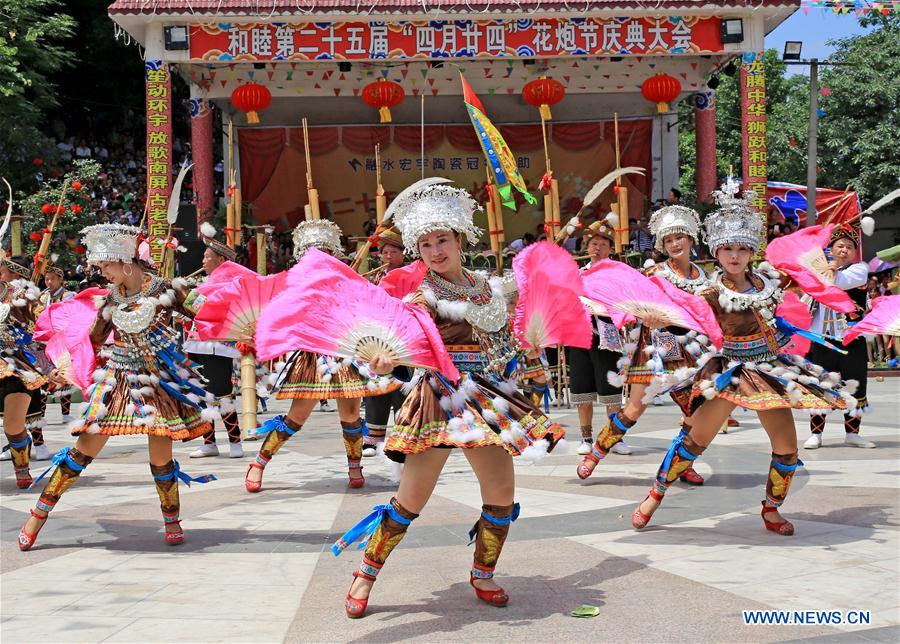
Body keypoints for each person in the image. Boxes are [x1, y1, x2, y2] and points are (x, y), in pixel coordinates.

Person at [335, 181, 565, 618]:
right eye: (425, 244)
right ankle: (365, 572)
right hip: (438, 399)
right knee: (411, 499)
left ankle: (482, 572)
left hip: (487, 398)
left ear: (460, 240)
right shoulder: (420, 295)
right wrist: (386, 360)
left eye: (442, 240)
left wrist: (530, 350)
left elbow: (505, 341)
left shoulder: (488, 287)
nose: (435, 251)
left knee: (501, 494)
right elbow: (403, 341)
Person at [630, 179, 857, 536]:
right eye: (726, 249)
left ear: (751, 251)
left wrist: (823, 272)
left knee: (787, 449)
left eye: (741, 249)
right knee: (693, 443)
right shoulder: (707, 292)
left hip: (768, 370)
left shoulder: (770, 283)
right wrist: (661, 320)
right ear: (716, 252)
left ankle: (771, 509)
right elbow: (686, 320)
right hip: (728, 372)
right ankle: (655, 495)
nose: (734, 256)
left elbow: (804, 280)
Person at [18, 224, 222, 550]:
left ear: (125, 262)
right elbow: (94, 341)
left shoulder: (167, 289)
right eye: (100, 268)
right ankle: (37, 515)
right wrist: (66, 365)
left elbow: (210, 310)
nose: (104, 274)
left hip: (157, 384)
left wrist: (242, 323)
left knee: (161, 459)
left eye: (106, 266)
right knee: (81, 452)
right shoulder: (110, 300)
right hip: (117, 381)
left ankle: (171, 518)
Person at [245, 219, 397, 493]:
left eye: (326, 254)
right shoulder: (295, 286)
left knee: (351, 415)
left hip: (345, 354)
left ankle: (354, 465)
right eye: (314, 254)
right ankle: (259, 462)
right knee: (296, 417)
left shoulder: (348, 282)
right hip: (313, 357)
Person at [576, 205, 707, 485]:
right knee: (634, 409)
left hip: (690, 351)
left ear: (691, 239)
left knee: (694, 413)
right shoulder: (653, 273)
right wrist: (643, 316)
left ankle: (682, 465)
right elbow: (625, 300)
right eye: (668, 240)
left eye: (679, 238)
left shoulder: (704, 277)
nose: (674, 244)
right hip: (654, 349)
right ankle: (596, 453)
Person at [804, 223, 874, 449]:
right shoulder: (819, 270)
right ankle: (816, 434)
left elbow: (839, 281)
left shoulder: (859, 269)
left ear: (854, 252)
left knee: (856, 385)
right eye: (840, 246)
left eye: (849, 247)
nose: (844, 250)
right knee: (820, 385)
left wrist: (824, 269)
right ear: (831, 248)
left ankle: (852, 433)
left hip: (851, 339)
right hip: (822, 339)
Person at [568, 220, 628, 457]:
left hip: (608, 336)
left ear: (610, 249)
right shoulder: (577, 274)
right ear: (587, 246)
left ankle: (615, 438)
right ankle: (586, 437)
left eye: (603, 244)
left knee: (612, 390)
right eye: (594, 243)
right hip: (580, 336)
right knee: (582, 388)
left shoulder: (618, 274)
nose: (598, 248)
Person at [185, 225, 244, 459]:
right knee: (202, 392)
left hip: (219, 344)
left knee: (222, 392)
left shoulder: (231, 284)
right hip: (198, 342)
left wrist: (189, 299)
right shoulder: (205, 283)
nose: (203, 261)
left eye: (207, 256)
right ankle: (209, 442)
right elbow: (195, 309)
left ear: (221, 260)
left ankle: (235, 441)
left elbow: (213, 308)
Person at [0, 255, 48, 488]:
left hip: (17, 365)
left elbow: (44, 327)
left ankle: (21, 464)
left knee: (13, 424)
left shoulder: (21, 296)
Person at [362, 226, 408, 458]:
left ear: (402, 254)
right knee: (376, 385)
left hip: (403, 337)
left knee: (403, 386)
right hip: (379, 338)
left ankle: (402, 437)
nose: (388, 257)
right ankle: (373, 438)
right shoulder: (374, 278)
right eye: (385, 253)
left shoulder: (411, 276)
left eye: (393, 252)